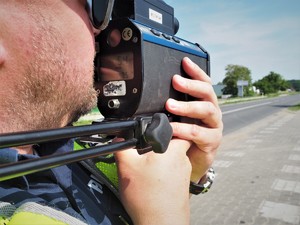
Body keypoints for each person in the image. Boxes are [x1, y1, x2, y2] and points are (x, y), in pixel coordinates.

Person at [0, 0, 223, 224]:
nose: (99, 28)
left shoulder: (73, 147)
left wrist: (191, 172)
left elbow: (154, 192)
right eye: (89, 6)